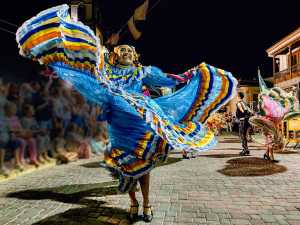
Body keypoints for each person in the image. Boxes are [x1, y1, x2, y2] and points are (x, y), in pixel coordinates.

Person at [16, 5, 237, 222]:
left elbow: (167, 79)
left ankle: (147, 203)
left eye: (130, 50)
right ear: (115, 55)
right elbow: (90, 71)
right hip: (119, 125)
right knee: (126, 166)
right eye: (123, 50)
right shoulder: (106, 72)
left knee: (144, 164)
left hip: (140, 120)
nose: (127, 52)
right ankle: (133, 202)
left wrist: (186, 76)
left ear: (135, 55)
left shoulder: (143, 72)